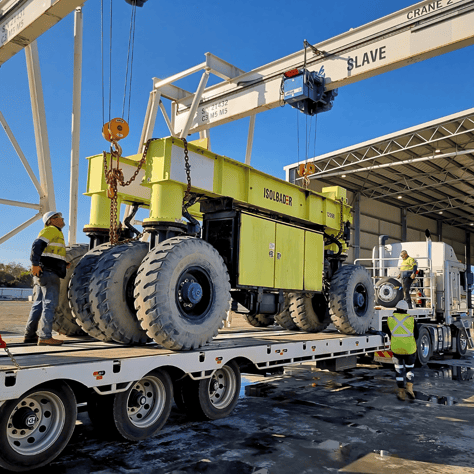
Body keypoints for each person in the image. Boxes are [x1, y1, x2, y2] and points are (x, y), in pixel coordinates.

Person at [24, 211, 70, 346]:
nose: (62, 219)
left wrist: (63, 264)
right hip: (49, 273)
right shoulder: (51, 230)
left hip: (44, 272)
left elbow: (50, 254)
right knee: (50, 304)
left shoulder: (53, 232)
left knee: (38, 304)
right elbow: (37, 245)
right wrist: (34, 264)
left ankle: (30, 335)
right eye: (60, 217)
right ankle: (45, 336)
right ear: (53, 220)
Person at [387, 300, 419, 401]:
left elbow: (388, 333)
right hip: (409, 349)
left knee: (399, 370)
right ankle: (409, 388)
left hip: (396, 349)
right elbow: (417, 334)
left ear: (396, 308)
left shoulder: (390, 319)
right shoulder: (411, 319)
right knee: (410, 369)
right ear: (406, 310)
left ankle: (401, 392)